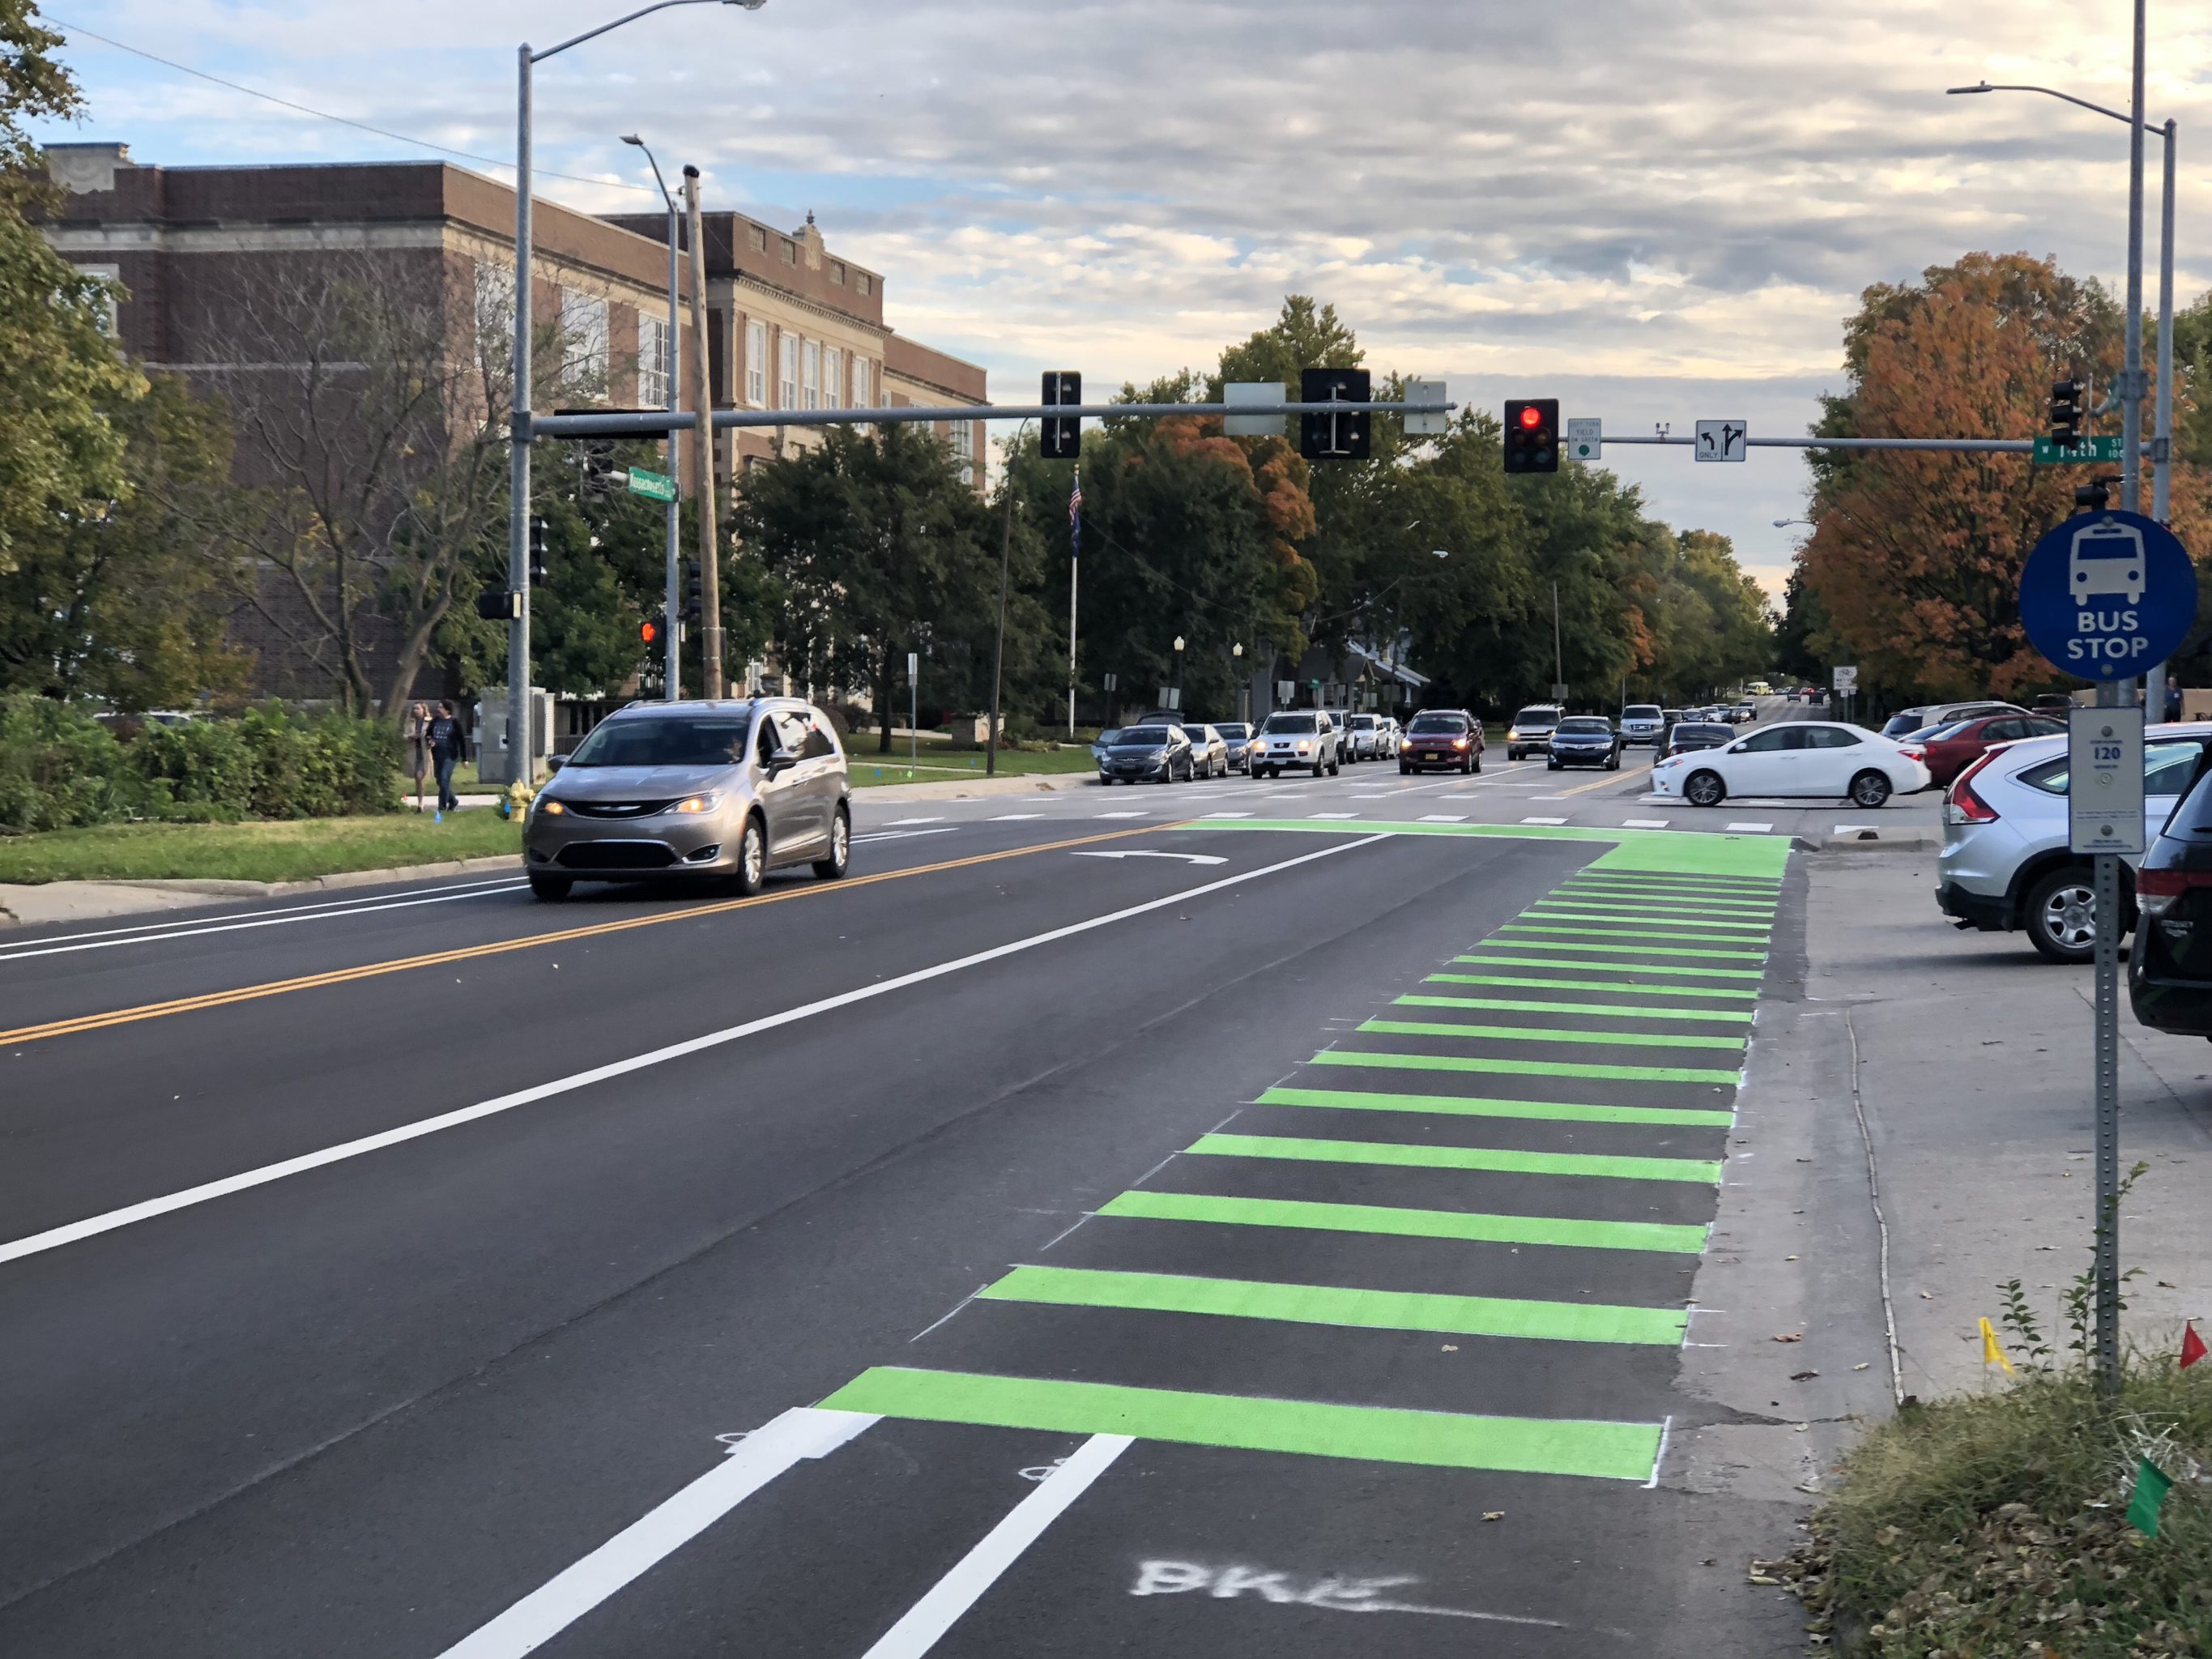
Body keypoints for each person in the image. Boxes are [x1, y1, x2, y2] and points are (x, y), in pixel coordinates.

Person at [427, 701, 464, 812]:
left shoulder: (455, 722)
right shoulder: (435, 721)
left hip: (450, 756)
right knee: (439, 781)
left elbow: (461, 740)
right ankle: (452, 800)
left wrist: (465, 758)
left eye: (441, 707)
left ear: (447, 709)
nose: (438, 709)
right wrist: (430, 740)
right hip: (437, 755)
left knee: (444, 779)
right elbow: (428, 734)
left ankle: (442, 808)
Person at [405, 702, 429, 812]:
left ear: (424, 710)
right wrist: (410, 736)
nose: (416, 711)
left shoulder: (429, 722)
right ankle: (420, 803)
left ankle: (421, 804)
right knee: (417, 778)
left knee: (420, 776)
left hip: (425, 752)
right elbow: (403, 735)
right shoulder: (410, 722)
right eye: (414, 709)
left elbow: (434, 735)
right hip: (414, 752)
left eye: (418, 709)